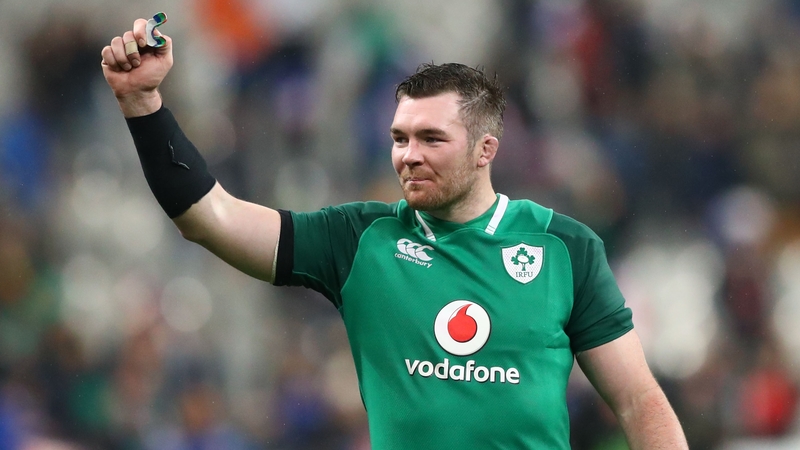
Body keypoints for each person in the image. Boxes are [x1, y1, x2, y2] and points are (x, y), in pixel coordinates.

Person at [101, 17, 689, 449]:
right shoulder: (360, 239)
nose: (408, 155)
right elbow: (209, 217)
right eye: (399, 137)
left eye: (431, 139)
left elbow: (640, 403)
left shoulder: (564, 248)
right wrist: (142, 103)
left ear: (487, 149)